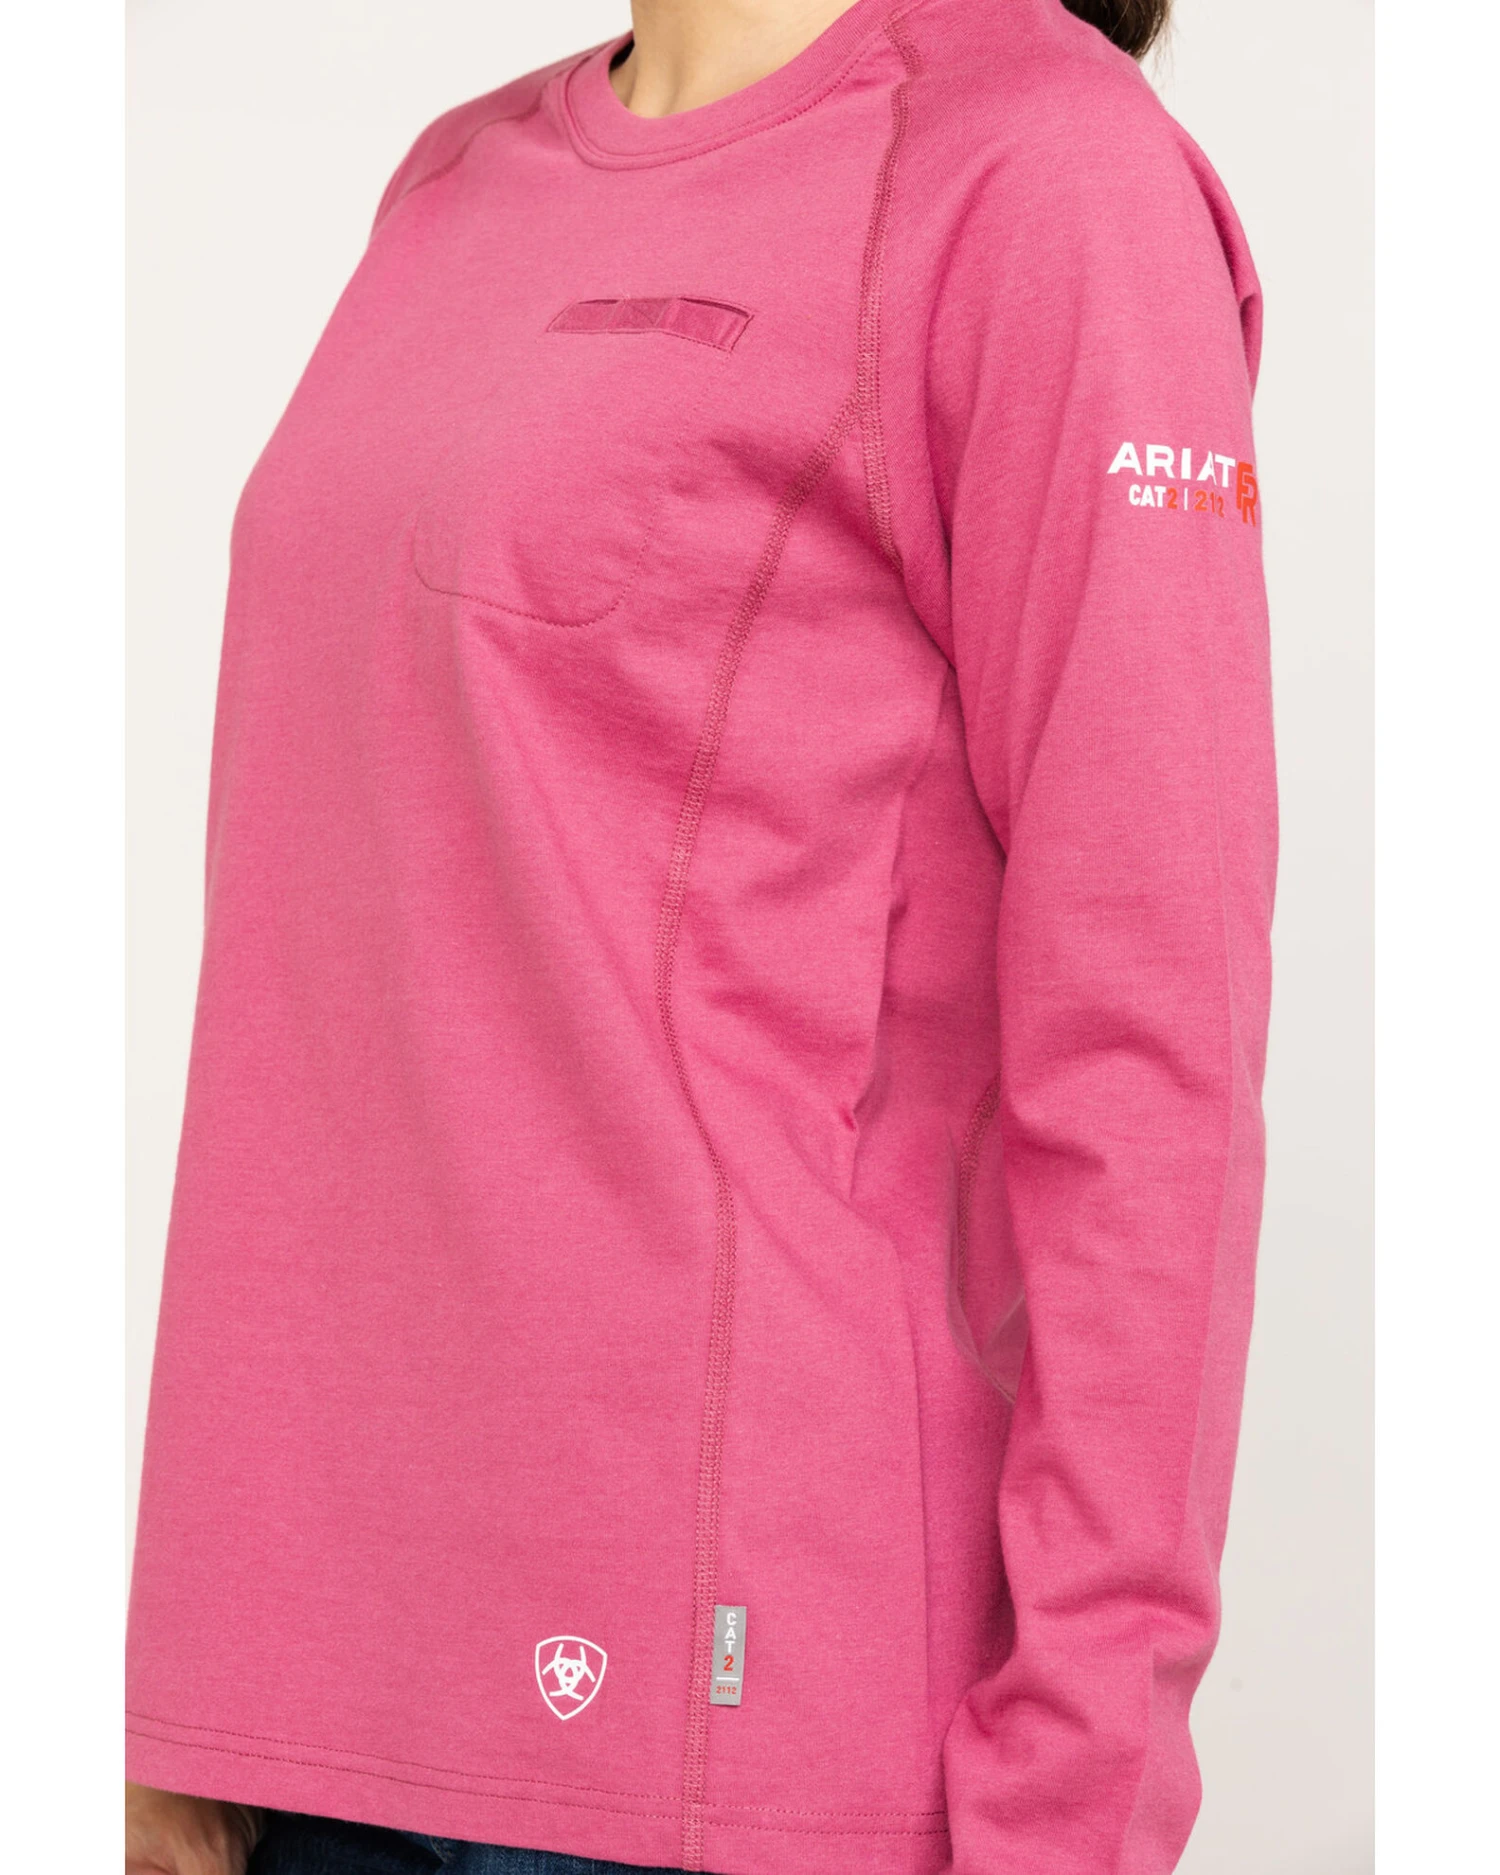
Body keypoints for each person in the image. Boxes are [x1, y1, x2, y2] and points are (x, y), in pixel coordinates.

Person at [125, 0, 1276, 1870]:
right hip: (311, 1724)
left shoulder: (1043, 175)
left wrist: (1079, 1794)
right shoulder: (455, 180)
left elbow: (1151, 1053)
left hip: (716, 1742)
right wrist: (197, 1671)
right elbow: (313, 959)